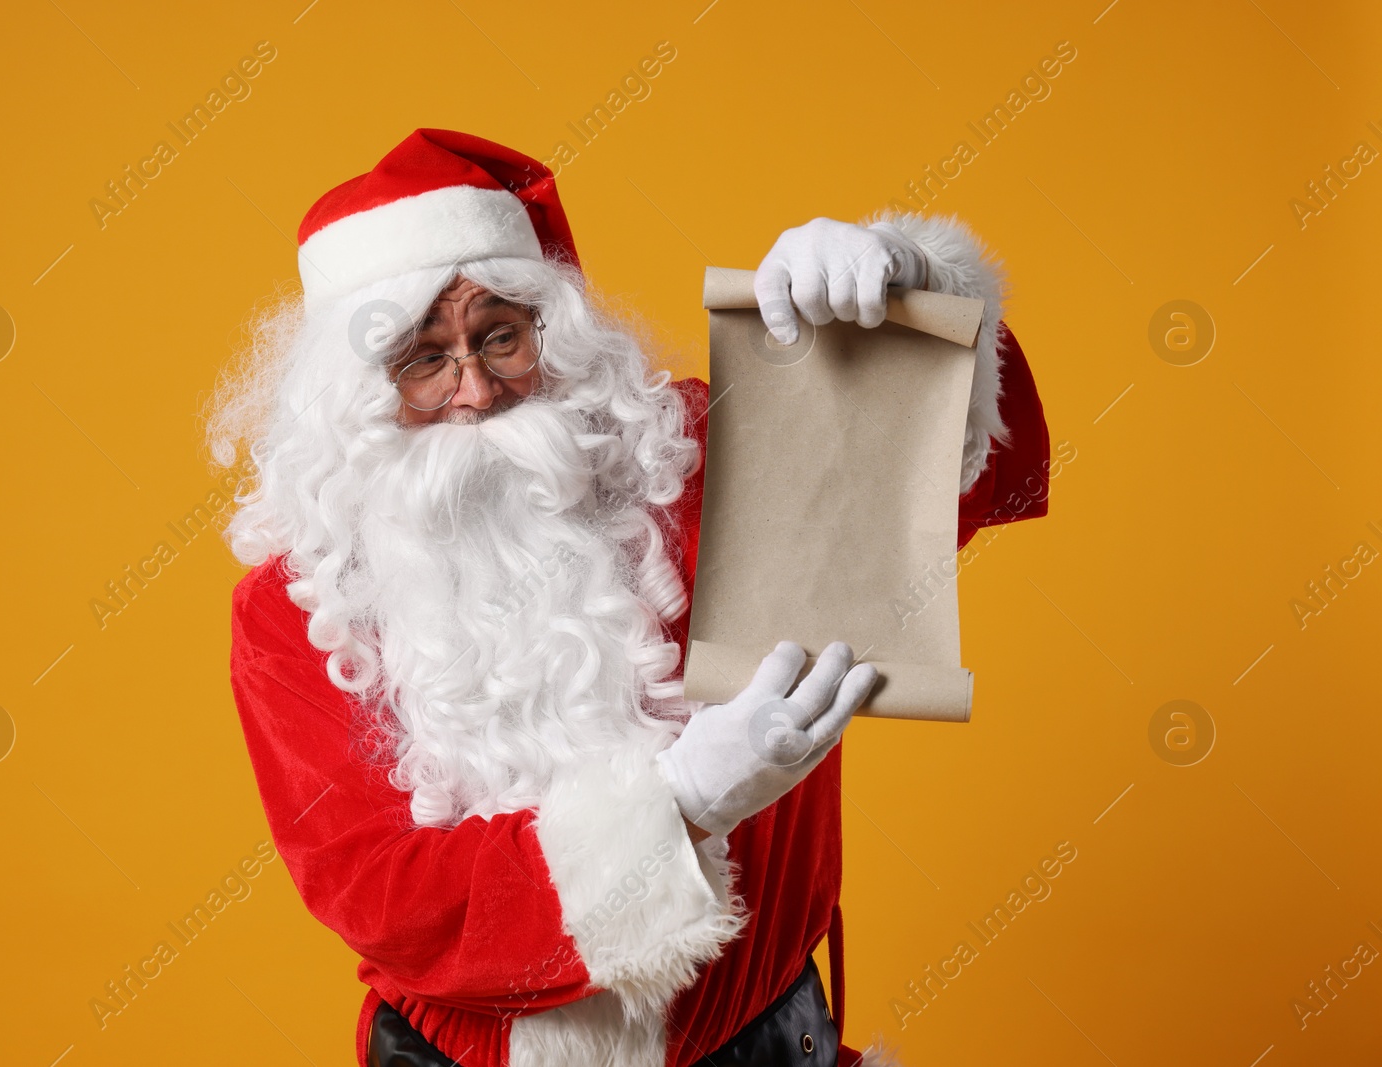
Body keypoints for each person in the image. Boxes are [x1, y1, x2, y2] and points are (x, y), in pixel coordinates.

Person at [206, 128, 1049, 1067]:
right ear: (355, 393)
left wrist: (895, 297)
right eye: (423, 359)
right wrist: (678, 805)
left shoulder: (678, 458)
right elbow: (383, 895)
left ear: (549, 332)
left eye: (500, 336)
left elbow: (950, 490)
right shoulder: (296, 605)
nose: (477, 392)